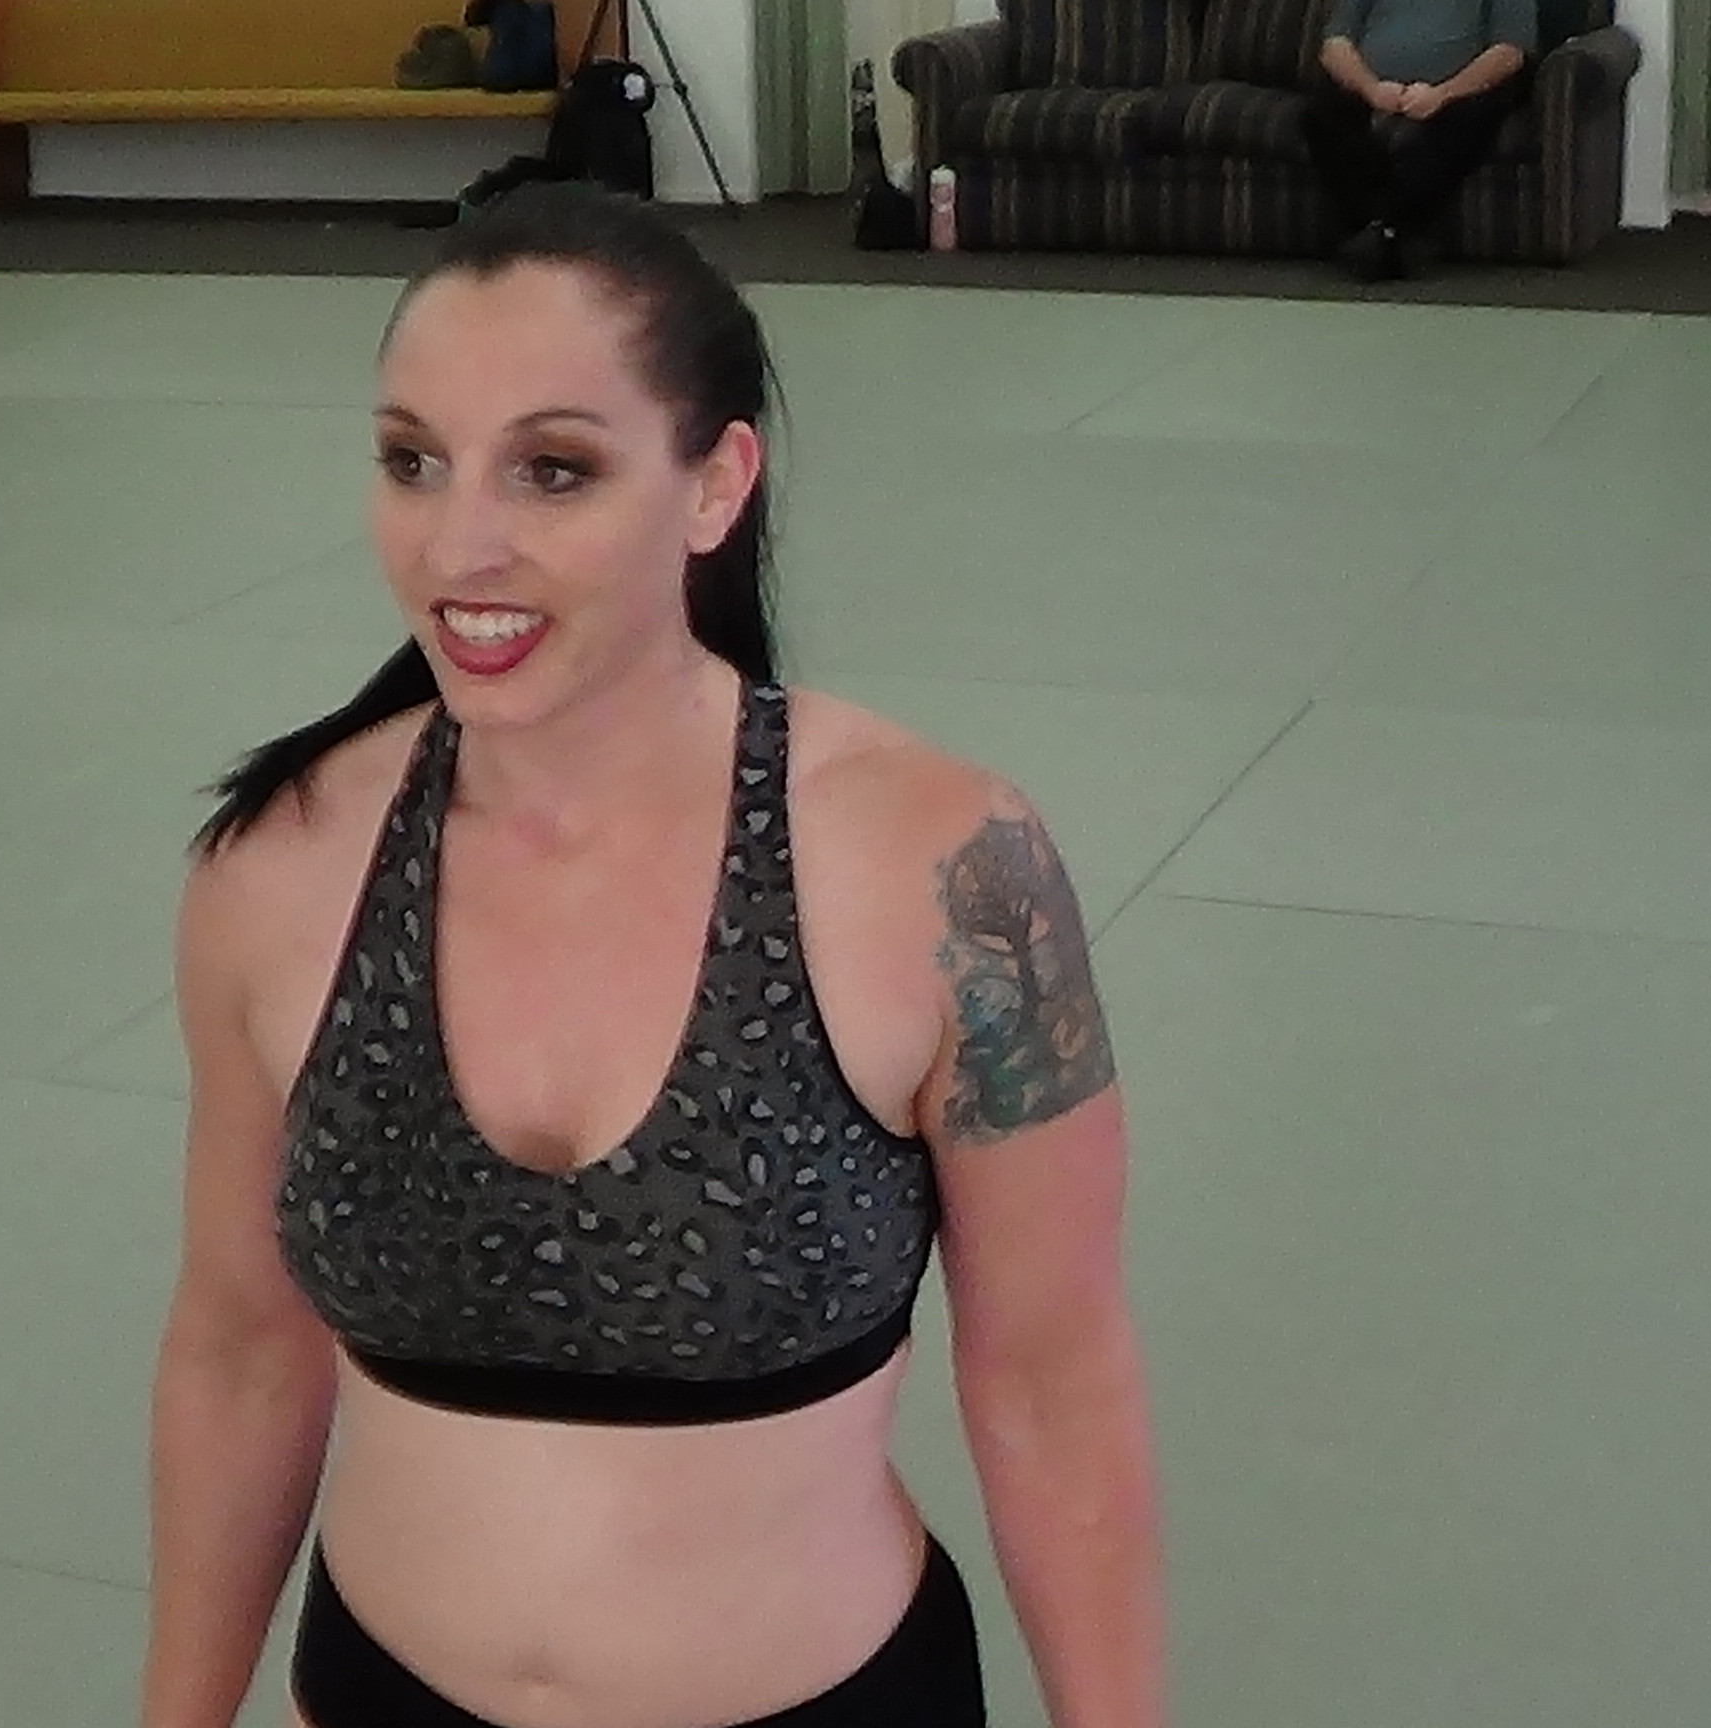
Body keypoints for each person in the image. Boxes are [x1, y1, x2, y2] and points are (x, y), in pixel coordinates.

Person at [144, 181, 1164, 1728]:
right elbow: (241, 1351)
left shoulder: (946, 869)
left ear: (714, 485)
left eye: (553, 470)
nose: (458, 542)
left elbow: (1053, 1384)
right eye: (413, 460)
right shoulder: (282, 868)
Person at [1303, 0, 1540, 281]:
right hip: (1372, 88)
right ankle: (1384, 233)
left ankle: (1383, 227)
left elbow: (1509, 53)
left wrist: (1442, 95)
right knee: (1321, 112)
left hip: (1457, 90)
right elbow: (1335, 45)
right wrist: (1372, 89)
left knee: (1474, 115)